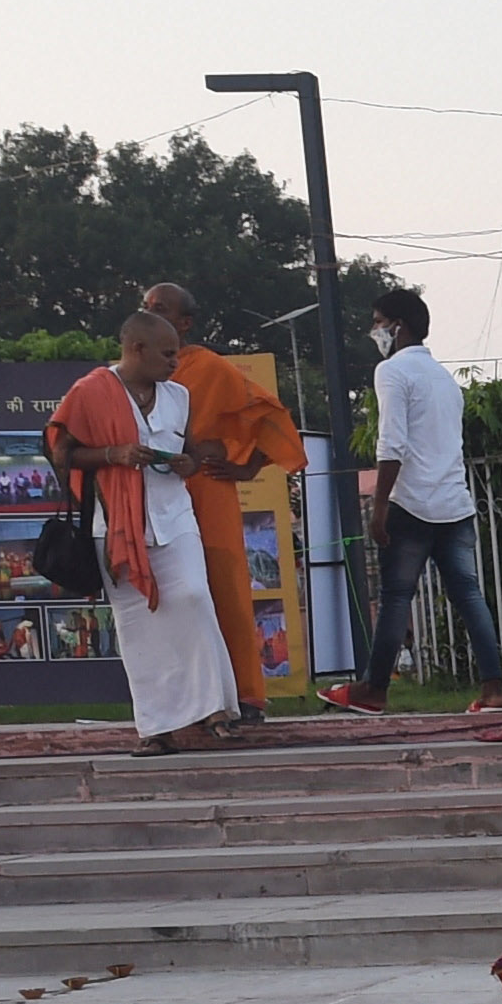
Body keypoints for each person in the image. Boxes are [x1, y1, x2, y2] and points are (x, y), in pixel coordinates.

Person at [47, 312, 245, 753]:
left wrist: (188, 464)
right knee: (138, 627)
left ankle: (215, 709)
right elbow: (62, 453)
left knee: (194, 597)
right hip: (116, 527)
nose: (176, 362)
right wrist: (113, 453)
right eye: (168, 353)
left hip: (174, 518)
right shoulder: (91, 391)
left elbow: (193, 452)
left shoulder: (178, 396)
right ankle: (157, 729)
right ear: (136, 349)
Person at [133, 284, 302, 727]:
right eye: (147, 309)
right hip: (157, 496)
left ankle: (247, 695)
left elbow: (270, 414)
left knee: (224, 591)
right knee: (172, 598)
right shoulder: (130, 373)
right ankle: (190, 701)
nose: (152, 315)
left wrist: (246, 470)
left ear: (185, 324)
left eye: (162, 310)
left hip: (207, 491)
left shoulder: (206, 367)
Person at [348, 285, 502, 711]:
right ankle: (494, 690)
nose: (374, 331)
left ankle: (375, 689)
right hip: (455, 505)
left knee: (398, 598)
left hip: (411, 504)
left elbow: (391, 445)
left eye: (379, 323)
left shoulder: (393, 372)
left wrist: (379, 508)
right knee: (470, 597)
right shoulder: (444, 380)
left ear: (397, 328)